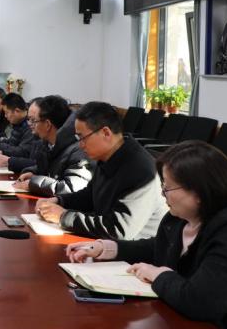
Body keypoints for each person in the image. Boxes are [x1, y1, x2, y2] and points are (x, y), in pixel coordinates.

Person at [66, 141, 227, 329]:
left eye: (168, 188)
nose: (163, 194)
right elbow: (159, 246)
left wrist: (159, 275)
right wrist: (108, 248)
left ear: (198, 192)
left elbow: (198, 301)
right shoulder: (179, 218)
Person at [36, 101, 167, 240]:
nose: (80, 145)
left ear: (106, 133)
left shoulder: (141, 170)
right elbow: (90, 196)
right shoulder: (108, 155)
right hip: (106, 244)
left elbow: (119, 229)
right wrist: (59, 201)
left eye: (82, 138)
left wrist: (63, 217)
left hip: (135, 250)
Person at [12, 95, 93, 196]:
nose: (30, 125)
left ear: (47, 124)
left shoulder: (78, 150)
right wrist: (33, 173)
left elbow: (70, 187)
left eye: (34, 121)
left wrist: (33, 183)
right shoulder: (48, 144)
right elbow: (50, 169)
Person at [0, 94, 39, 172]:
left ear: (17, 111)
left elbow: (22, 152)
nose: (5, 116)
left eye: (6, 112)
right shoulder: (18, 123)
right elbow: (11, 142)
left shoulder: (30, 126)